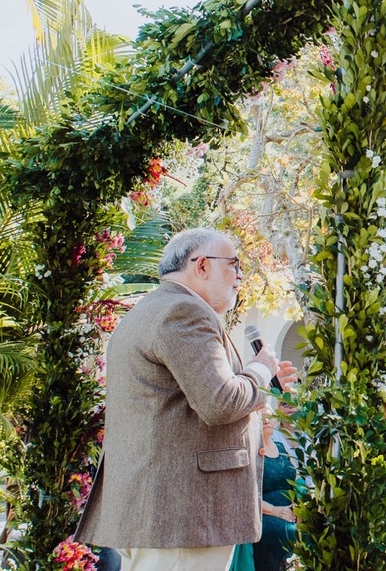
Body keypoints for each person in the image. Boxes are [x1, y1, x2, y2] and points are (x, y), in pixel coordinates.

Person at [77, 228, 297, 570]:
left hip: (162, 514)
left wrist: (262, 382)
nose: (241, 275)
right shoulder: (184, 312)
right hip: (183, 517)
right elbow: (220, 402)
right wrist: (258, 369)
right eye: (235, 264)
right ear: (203, 266)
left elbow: (190, 401)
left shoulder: (153, 309)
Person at [230, 405, 300, 571]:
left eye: (268, 417)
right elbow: (244, 495)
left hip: (290, 513)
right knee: (290, 533)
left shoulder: (282, 448)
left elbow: (296, 483)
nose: (266, 421)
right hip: (263, 515)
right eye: (261, 418)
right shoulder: (250, 452)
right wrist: (277, 510)